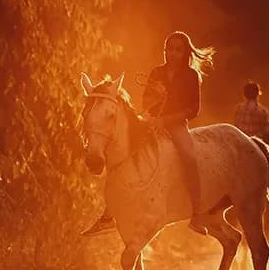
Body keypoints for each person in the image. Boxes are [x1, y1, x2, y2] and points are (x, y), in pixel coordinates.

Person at [82, 31, 215, 237]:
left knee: (189, 156)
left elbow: (193, 110)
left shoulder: (191, 75)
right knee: (122, 154)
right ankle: (109, 215)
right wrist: (154, 106)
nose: (173, 53)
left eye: (178, 50)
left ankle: (198, 213)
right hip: (153, 122)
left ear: (185, 53)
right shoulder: (156, 73)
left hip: (177, 126)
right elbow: (146, 101)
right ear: (165, 51)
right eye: (170, 49)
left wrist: (166, 120)